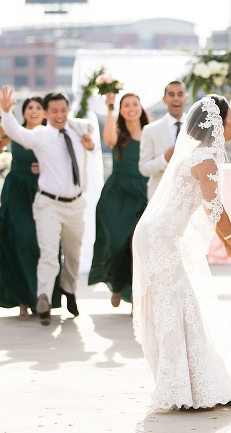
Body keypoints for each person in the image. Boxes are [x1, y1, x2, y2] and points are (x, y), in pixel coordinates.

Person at [132, 95, 231, 411]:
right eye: (230, 118)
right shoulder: (207, 157)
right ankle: (187, 387)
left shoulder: (195, 154)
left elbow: (210, 210)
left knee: (172, 305)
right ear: (217, 122)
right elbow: (214, 207)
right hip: (162, 238)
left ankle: (181, 385)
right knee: (176, 304)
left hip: (154, 234)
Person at [0, 87, 96, 326]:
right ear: (46, 113)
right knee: (49, 253)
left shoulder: (76, 129)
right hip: (48, 204)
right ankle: (43, 297)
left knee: (72, 254)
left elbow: (90, 131)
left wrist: (89, 143)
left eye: (63, 110)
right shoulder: (41, 135)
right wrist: (6, 111)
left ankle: (69, 290)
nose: (59, 114)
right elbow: (15, 132)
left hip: (75, 204)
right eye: (54, 111)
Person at [0, 96, 63, 319]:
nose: (33, 111)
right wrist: (0, 122)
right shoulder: (14, 131)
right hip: (17, 193)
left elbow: (66, 160)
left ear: (45, 112)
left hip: (43, 191)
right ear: (23, 112)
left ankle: (41, 296)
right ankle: (21, 298)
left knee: (42, 245)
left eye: (38, 107)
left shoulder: (52, 134)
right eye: (29, 107)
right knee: (19, 241)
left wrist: (47, 167)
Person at [90, 92, 149, 308]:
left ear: (141, 107)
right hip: (117, 195)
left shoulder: (149, 132)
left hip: (143, 193)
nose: (131, 108)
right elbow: (108, 138)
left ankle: (135, 295)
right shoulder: (117, 132)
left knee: (137, 245)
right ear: (121, 110)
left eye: (135, 104)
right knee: (116, 244)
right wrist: (110, 107)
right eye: (126, 105)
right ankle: (116, 284)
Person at [138, 80, 188, 200]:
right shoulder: (150, 130)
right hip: (160, 197)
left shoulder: (197, 127)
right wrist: (164, 159)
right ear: (164, 99)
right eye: (171, 94)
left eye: (180, 94)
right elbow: (144, 168)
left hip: (189, 196)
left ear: (186, 98)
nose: (176, 98)